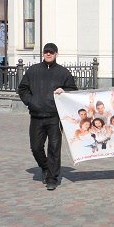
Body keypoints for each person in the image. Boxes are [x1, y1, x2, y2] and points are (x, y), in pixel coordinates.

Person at [18, 42, 77, 190]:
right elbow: (23, 88)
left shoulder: (63, 73)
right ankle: (45, 167)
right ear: (43, 54)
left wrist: (63, 90)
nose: (48, 54)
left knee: (54, 148)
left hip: (54, 116)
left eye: (51, 52)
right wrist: (31, 102)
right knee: (36, 147)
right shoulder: (33, 71)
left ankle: (52, 178)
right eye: (46, 52)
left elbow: (72, 90)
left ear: (56, 54)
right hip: (36, 115)